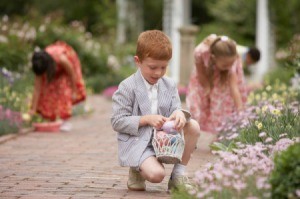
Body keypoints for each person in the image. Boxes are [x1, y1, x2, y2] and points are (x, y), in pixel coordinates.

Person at [111, 30, 200, 191]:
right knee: (157, 175)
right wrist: (145, 119)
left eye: (163, 67)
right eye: (152, 67)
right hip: (140, 143)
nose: (158, 73)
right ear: (138, 61)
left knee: (192, 125)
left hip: (166, 140)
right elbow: (117, 121)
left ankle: (177, 176)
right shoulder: (127, 86)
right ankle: (137, 168)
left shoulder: (169, 84)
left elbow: (176, 108)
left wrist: (179, 113)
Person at [186, 34, 248, 134]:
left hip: (222, 75)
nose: (228, 66)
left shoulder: (231, 60)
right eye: (225, 65)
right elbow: (201, 73)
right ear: (213, 58)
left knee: (221, 99)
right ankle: (192, 132)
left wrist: (240, 109)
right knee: (197, 102)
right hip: (204, 74)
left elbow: (234, 87)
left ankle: (221, 132)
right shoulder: (200, 52)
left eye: (230, 64)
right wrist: (207, 88)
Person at [30, 41, 86, 130]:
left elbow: (72, 75)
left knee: (63, 89)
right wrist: (33, 109)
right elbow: (37, 89)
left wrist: (74, 91)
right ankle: (50, 118)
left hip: (68, 67)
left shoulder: (61, 59)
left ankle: (65, 120)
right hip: (52, 66)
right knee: (47, 90)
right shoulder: (39, 63)